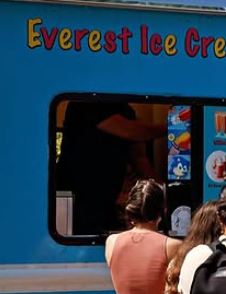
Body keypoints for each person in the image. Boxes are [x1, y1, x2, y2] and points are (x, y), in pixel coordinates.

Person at [57, 100, 166, 234]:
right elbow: (130, 131)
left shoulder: (127, 111)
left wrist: (163, 193)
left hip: (107, 200)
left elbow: (139, 159)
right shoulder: (85, 102)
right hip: (75, 196)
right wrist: (174, 128)